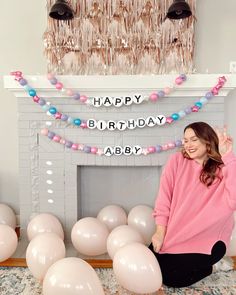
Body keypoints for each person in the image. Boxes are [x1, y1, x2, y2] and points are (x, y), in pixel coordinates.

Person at [149, 121, 236, 288]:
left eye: (194, 139)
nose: (188, 144)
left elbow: (233, 201)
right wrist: (160, 233)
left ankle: (213, 266)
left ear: (207, 140)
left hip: (208, 239)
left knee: (171, 278)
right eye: (185, 140)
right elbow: (164, 198)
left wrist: (228, 157)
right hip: (175, 234)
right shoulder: (176, 161)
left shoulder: (223, 167)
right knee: (151, 264)